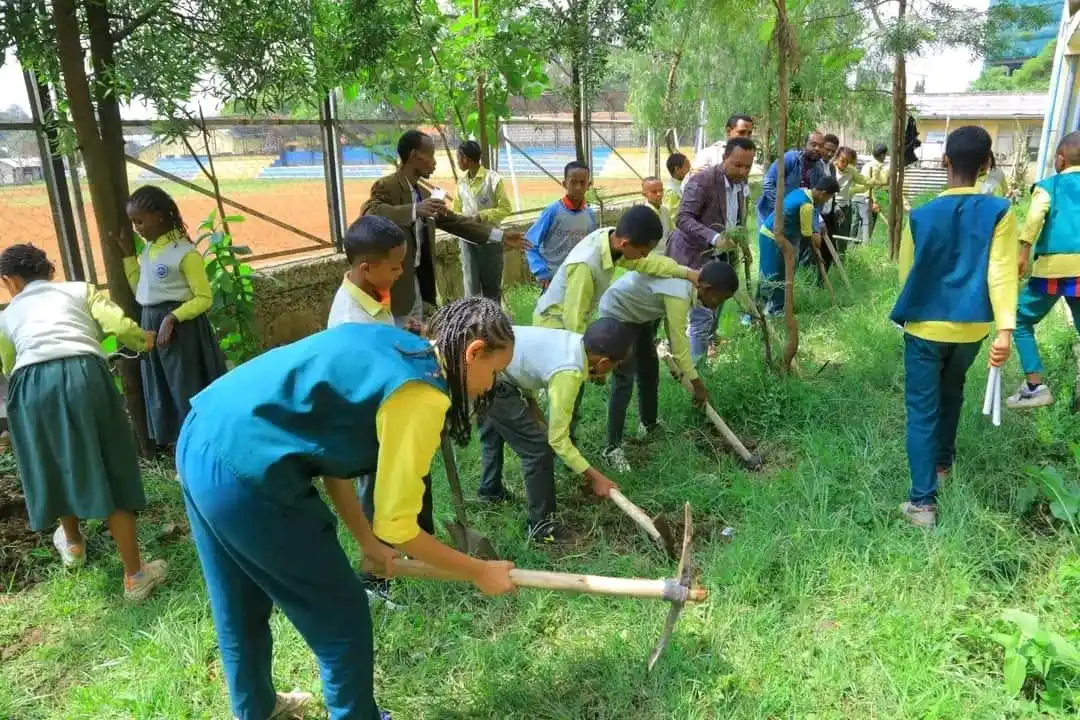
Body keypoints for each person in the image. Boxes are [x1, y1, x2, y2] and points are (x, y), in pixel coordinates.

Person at [176, 297, 518, 720]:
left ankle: (257, 709)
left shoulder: (395, 344)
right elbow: (398, 525)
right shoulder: (421, 397)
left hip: (203, 433)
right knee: (343, 618)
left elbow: (327, 449)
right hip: (246, 473)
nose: (490, 385)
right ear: (473, 352)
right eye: (493, 372)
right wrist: (479, 572)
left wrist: (366, 542)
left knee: (238, 602)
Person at [0, 244, 168, 601]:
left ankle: (73, 544)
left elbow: (7, 362)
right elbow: (118, 324)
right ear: (50, 271)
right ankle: (135, 576)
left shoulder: (8, 313)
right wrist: (142, 339)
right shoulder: (79, 289)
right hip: (83, 375)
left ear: (10, 281)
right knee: (111, 465)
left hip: (30, 385)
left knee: (53, 458)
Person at [890, 126, 1018, 529]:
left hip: (925, 328)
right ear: (986, 165)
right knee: (953, 391)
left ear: (945, 161)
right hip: (972, 331)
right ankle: (943, 465)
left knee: (921, 410)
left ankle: (922, 503)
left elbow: (906, 275)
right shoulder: (1000, 210)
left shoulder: (921, 215)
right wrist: (1005, 330)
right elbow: (1001, 272)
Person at [478, 319, 633, 542]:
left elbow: (526, 371)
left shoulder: (572, 343)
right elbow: (558, 440)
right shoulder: (569, 372)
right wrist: (596, 477)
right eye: (614, 366)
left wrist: (540, 421)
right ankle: (542, 526)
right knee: (538, 449)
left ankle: (490, 492)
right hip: (492, 375)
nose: (611, 371)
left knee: (494, 430)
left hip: (488, 363)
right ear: (603, 362)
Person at [361, 130, 527, 329]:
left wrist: (500, 236)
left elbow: (456, 222)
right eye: (430, 155)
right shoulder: (387, 186)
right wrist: (414, 210)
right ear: (414, 155)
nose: (434, 162)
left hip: (421, 285)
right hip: (397, 289)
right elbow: (370, 212)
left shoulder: (423, 193)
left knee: (417, 338)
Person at [599, 260, 739, 471]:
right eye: (721, 298)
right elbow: (679, 344)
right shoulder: (679, 293)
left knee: (649, 368)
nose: (719, 305)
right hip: (619, 312)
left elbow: (671, 329)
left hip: (640, 313)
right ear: (708, 289)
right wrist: (696, 383)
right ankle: (612, 448)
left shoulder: (688, 286)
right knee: (624, 378)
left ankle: (648, 424)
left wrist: (683, 369)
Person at [125, 185, 227, 448]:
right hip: (152, 321)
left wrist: (173, 318)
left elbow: (204, 297)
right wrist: (128, 259)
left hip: (182, 328)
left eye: (140, 220)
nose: (137, 227)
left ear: (159, 215)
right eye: (133, 222)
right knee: (161, 385)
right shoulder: (148, 250)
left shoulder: (184, 253)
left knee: (185, 384)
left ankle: (199, 444)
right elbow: (142, 291)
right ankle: (177, 444)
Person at [533, 205, 699, 334]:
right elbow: (573, 319)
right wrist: (587, 359)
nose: (644, 256)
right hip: (553, 328)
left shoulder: (612, 238)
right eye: (642, 252)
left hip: (569, 323)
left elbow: (650, 263)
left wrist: (687, 273)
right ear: (625, 244)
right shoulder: (585, 265)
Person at [1007, 131, 1080, 409]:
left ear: (1060, 160)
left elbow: (1036, 215)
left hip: (1053, 268)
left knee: (1020, 319)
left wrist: (1023, 250)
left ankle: (1035, 386)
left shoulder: (1049, 185)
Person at [667, 137, 755, 362]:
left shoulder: (741, 184)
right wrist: (715, 238)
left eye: (748, 166)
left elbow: (737, 219)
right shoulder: (702, 181)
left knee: (714, 307)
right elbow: (683, 219)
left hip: (721, 257)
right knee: (701, 315)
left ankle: (703, 348)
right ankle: (695, 368)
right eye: (737, 164)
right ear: (725, 158)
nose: (743, 170)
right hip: (693, 254)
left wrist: (744, 247)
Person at [756, 177, 839, 316]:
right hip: (773, 238)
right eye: (828, 198)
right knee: (773, 275)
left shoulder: (800, 191)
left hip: (776, 236)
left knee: (780, 274)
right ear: (823, 193)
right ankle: (766, 311)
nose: (826, 201)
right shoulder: (806, 205)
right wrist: (818, 254)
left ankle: (776, 308)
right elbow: (809, 236)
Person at [453, 140, 513, 301]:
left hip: (490, 239)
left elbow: (505, 208)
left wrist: (482, 215)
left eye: (458, 157)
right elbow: (456, 210)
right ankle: (473, 324)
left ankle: (494, 323)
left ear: (466, 158)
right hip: (467, 240)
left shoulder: (493, 180)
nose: (457, 161)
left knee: (492, 288)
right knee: (471, 289)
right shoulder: (461, 182)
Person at [525, 161, 598, 287]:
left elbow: (592, 245)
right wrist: (541, 271)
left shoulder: (589, 215)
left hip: (578, 277)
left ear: (589, 185)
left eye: (583, 183)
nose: (578, 187)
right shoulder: (553, 212)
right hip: (552, 278)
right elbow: (529, 242)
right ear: (564, 184)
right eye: (573, 182)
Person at [327, 215, 404, 328]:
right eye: (394, 268)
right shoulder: (354, 324)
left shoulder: (372, 289)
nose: (401, 271)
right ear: (366, 269)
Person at [757, 131, 829, 225]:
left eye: (821, 146)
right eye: (813, 144)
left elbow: (817, 197)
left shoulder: (819, 169)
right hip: (771, 215)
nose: (817, 148)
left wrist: (817, 220)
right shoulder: (790, 159)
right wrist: (783, 209)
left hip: (795, 219)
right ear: (804, 145)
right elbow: (768, 183)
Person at [822, 147, 872, 273]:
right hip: (831, 207)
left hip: (845, 207)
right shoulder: (830, 169)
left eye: (847, 161)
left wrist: (853, 191)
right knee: (828, 237)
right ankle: (826, 263)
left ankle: (840, 266)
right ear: (837, 158)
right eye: (842, 160)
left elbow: (863, 181)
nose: (844, 164)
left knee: (843, 238)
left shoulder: (851, 170)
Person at [853, 144, 888, 243]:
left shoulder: (868, 164)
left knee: (855, 224)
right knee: (867, 224)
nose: (885, 157)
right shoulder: (875, 167)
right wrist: (874, 202)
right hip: (866, 198)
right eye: (885, 155)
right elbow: (869, 185)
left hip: (857, 196)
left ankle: (852, 246)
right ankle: (865, 248)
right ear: (882, 155)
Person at [640, 175, 672, 253]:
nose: (659, 194)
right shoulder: (643, 214)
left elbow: (670, 233)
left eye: (661, 190)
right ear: (644, 194)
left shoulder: (665, 211)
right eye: (654, 192)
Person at [664, 152, 691, 217]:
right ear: (677, 169)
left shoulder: (682, 185)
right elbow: (672, 218)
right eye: (687, 168)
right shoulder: (671, 192)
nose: (689, 171)